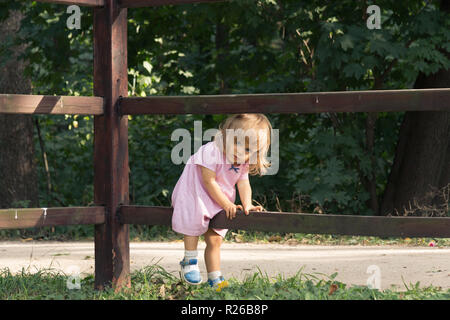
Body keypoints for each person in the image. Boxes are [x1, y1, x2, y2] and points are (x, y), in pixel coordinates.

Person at [170, 113, 273, 288]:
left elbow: (243, 182)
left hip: (220, 198)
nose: (241, 151)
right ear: (226, 136)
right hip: (196, 192)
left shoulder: (243, 160)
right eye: (238, 143)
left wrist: (247, 203)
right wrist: (226, 204)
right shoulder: (211, 150)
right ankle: (189, 260)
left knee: (215, 239)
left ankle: (215, 277)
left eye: (248, 150)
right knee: (193, 222)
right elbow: (208, 181)